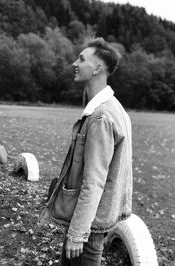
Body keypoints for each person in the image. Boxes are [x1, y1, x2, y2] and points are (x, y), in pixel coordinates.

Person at [55, 37, 133, 266]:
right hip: (96, 219)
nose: (74, 63)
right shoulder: (114, 108)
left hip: (89, 225)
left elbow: (94, 181)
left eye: (81, 59)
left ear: (97, 68)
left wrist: (77, 233)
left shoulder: (101, 116)